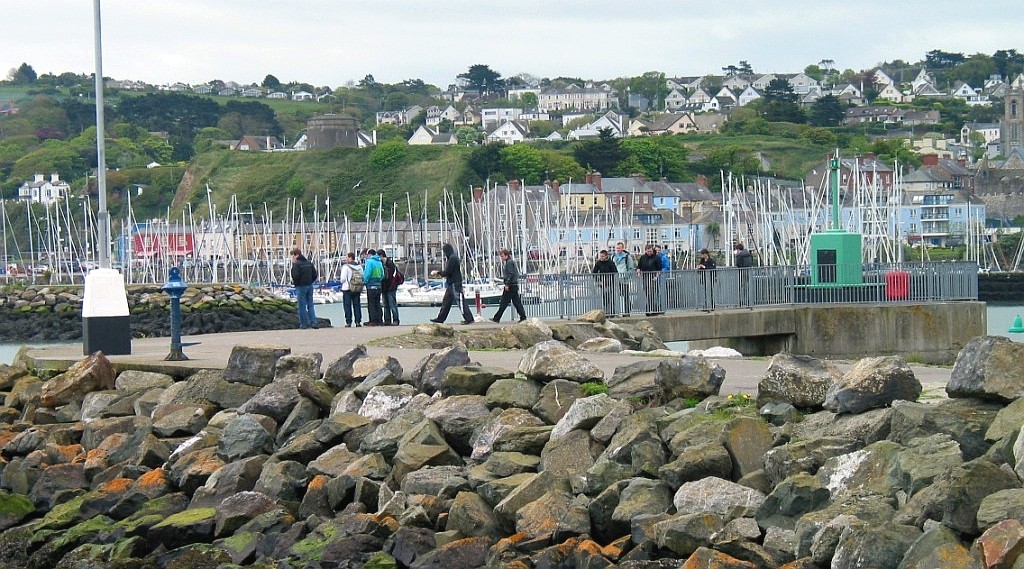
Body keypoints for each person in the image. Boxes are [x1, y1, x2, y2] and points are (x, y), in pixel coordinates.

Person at [430, 243, 475, 325]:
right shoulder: (453, 257)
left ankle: (469, 319)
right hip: (451, 283)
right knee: (446, 302)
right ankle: (440, 318)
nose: (444, 254)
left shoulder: (452, 259)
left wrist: (438, 273)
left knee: (460, 301)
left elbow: (448, 271)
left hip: (455, 283)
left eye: (444, 251)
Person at [491, 248, 527, 323]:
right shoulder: (510, 262)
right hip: (513, 285)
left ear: (506, 255)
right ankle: (523, 316)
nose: (501, 258)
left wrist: (507, 284)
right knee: (516, 302)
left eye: (502, 256)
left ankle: (496, 318)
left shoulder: (509, 263)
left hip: (510, 286)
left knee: (504, 302)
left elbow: (511, 274)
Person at [289, 247, 318, 329]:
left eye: (293, 256)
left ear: (296, 255)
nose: (292, 258)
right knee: (310, 305)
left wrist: (296, 283)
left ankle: (304, 324)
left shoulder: (297, 264)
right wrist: (311, 281)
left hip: (301, 286)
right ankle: (314, 323)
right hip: (309, 285)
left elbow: (295, 276)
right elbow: (315, 274)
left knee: (302, 306)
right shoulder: (309, 263)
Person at [638, 244, 663, 316]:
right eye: (648, 251)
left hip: (653, 278)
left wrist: (656, 277)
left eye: (650, 251)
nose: (649, 253)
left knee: (652, 294)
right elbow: (639, 266)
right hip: (645, 278)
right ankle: (651, 309)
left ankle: (650, 309)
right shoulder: (643, 257)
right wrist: (638, 271)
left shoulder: (656, 258)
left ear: (652, 250)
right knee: (647, 294)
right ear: (645, 251)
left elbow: (659, 269)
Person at [612, 241, 636, 316]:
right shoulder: (613, 256)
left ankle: (627, 312)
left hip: (624, 280)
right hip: (616, 279)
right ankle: (616, 312)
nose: (618, 249)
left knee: (625, 295)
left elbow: (631, 268)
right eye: (617, 248)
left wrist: (626, 276)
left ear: (623, 248)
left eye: (619, 248)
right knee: (616, 296)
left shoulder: (627, 257)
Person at [339, 252, 363, 327]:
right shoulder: (359, 267)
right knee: (357, 305)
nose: (346, 259)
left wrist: (341, 282)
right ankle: (358, 321)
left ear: (350, 258)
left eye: (347, 257)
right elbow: (362, 276)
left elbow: (343, 279)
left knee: (347, 306)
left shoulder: (346, 267)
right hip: (357, 288)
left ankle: (348, 322)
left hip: (347, 288)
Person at [591, 249, 618, 315]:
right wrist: (598, 281)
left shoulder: (611, 262)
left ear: (606, 256)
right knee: (605, 298)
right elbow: (594, 273)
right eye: (600, 256)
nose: (601, 258)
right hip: (602, 284)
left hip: (611, 283)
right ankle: (606, 312)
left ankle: (612, 312)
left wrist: (611, 280)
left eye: (602, 256)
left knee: (611, 298)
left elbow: (615, 272)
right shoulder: (598, 263)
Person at [363, 249, 385, 326]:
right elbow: (382, 274)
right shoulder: (379, 262)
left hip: (371, 285)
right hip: (378, 285)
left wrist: (365, 281)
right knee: (377, 303)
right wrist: (378, 281)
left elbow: (367, 273)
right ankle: (379, 320)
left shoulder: (369, 262)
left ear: (369, 254)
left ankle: (373, 320)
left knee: (371, 304)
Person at [379, 249, 400, 326]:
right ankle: (387, 320)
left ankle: (396, 320)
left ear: (381, 256)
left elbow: (394, 277)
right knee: (385, 305)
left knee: (392, 305)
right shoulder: (382, 264)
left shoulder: (391, 264)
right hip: (384, 288)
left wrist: (392, 286)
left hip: (391, 288)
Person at [734, 242, 754, 307]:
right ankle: (748, 301)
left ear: (738, 249)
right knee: (748, 286)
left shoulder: (740, 255)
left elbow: (738, 264)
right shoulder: (749, 254)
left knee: (740, 286)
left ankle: (740, 301)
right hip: (749, 271)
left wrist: (737, 256)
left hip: (742, 271)